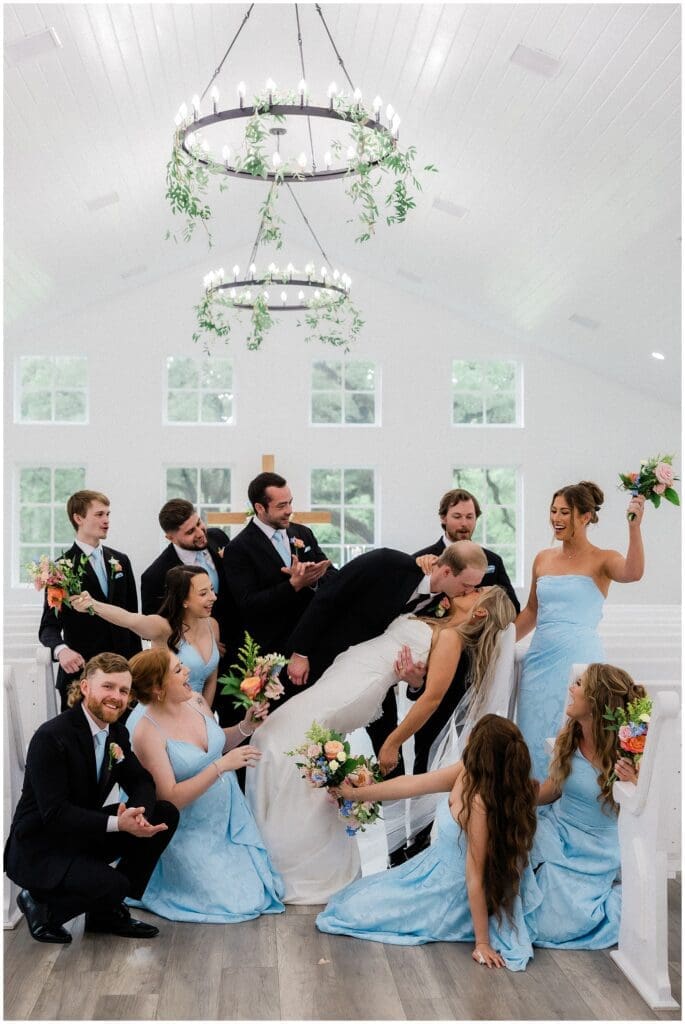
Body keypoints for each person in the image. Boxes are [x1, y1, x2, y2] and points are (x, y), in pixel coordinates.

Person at [247, 584, 516, 904]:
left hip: (359, 686)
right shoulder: (437, 617)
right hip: (349, 672)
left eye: (476, 591)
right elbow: (418, 680)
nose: (469, 588)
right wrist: (414, 678)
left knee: (274, 736)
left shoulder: (451, 638)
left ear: (480, 611)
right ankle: (295, 854)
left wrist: (392, 742)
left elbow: (431, 698)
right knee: (291, 750)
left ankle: (293, 862)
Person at [316, 715, 538, 971]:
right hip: (430, 867)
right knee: (349, 900)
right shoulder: (466, 771)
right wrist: (354, 794)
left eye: (473, 734)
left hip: (449, 890)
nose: (466, 737)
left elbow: (475, 876)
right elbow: (411, 785)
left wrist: (482, 943)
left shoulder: (479, 803)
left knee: (352, 912)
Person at [4, 653, 179, 944]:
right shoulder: (51, 737)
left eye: (123, 690)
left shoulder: (117, 733)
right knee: (116, 884)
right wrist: (118, 824)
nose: (116, 697)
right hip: (41, 846)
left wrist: (138, 814)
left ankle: (105, 914)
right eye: (108, 687)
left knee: (164, 813)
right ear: (85, 687)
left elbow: (140, 780)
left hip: (81, 834)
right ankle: (40, 904)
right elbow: (55, 814)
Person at [285, 542, 488, 782]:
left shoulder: (447, 606)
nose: (468, 592)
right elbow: (329, 596)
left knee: (390, 757)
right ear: (446, 572)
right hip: (326, 659)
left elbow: (425, 671)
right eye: (466, 585)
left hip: (378, 682)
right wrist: (301, 652)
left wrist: (415, 681)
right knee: (310, 731)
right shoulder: (386, 564)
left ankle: (389, 802)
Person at [122, 647, 284, 923]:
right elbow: (169, 799)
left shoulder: (196, 701)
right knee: (235, 904)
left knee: (259, 894)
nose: (188, 671)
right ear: (158, 688)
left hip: (230, 818)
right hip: (189, 830)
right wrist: (221, 767)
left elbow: (217, 745)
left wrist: (246, 726)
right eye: (178, 670)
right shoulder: (146, 732)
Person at [515, 482, 645, 778]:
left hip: (580, 661)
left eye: (565, 512)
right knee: (532, 736)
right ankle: (532, 800)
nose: (556, 519)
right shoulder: (543, 558)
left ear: (586, 517)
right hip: (539, 664)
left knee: (575, 735)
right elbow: (532, 612)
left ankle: (571, 798)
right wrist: (498, 641)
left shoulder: (603, 558)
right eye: (553, 511)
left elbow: (633, 572)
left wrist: (634, 528)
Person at [529, 662, 642, 948]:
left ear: (595, 701)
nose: (571, 688)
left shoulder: (629, 749)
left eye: (578, 684)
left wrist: (633, 781)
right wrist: (512, 796)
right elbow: (553, 789)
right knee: (508, 851)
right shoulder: (570, 738)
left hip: (596, 847)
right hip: (558, 829)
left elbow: (644, 808)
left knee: (549, 924)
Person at [223, 472, 336, 695]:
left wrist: (314, 579)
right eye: (282, 505)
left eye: (290, 502)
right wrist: (293, 585)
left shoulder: (302, 533)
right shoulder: (239, 549)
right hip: (272, 655)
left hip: (312, 645)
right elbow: (248, 604)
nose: (289, 510)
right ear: (260, 507)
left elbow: (332, 575)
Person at [38, 489, 142, 710]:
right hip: (83, 674)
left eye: (108, 514)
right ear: (78, 518)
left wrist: (136, 669)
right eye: (99, 514)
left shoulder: (121, 561)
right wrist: (61, 650)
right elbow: (48, 627)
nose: (106, 520)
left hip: (124, 675)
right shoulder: (60, 569)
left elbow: (133, 619)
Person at [72, 565, 221, 706]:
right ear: (184, 600)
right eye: (203, 593)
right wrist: (93, 605)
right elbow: (129, 619)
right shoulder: (163, 627)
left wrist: (204, 715)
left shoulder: (212, 625)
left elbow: (211, 679)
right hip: (166, 711)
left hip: (201, 711)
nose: (213, 597)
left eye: (212, 589)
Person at [413, 488, 519, 610]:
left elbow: (513, 608)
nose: (464, 523)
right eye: (457, 516)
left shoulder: (493, 560)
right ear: (443, 518)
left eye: (469, 517)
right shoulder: (420, 561)